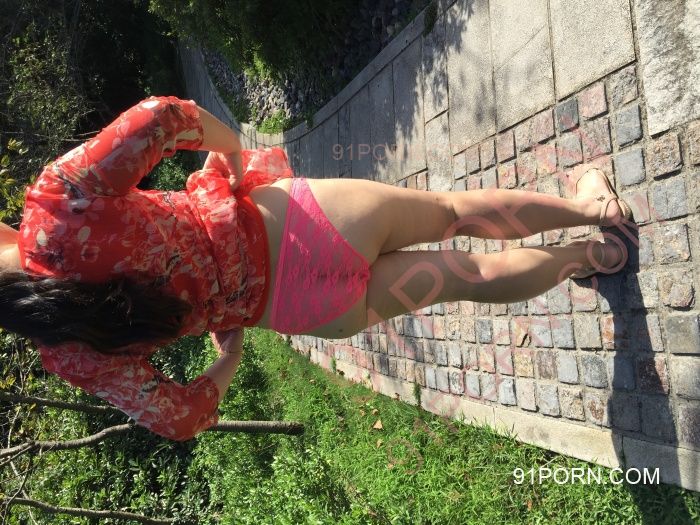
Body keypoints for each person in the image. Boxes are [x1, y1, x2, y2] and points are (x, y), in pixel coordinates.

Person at [0, 96, 632, 440]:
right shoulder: (54, 205)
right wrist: (233, 152)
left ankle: (596, 257)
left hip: (302, 309)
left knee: (469, 277)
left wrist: (230, 355)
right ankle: (593, 208)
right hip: (305, 225)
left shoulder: (63, 351)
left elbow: (180, 418)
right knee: (452, 214)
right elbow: (161, 118)